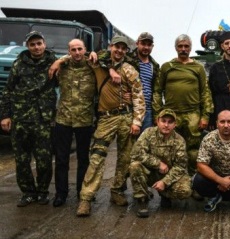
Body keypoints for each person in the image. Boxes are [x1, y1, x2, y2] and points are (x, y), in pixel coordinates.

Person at [76, 35, 145, 216]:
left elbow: (138, 96)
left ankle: (117, 190)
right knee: (97, 157)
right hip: (106, 119)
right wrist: (57, 63)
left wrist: (137, 121)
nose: (119, 51)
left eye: (123, 48)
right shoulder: (98, 63)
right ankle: (86, 198)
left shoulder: (129, 70)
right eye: (117, 47)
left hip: (126, 117)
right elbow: (77, 56)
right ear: (110, 47)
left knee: (125, 158)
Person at [0, 31, 56, 207]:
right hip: (21, 119)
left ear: (44, 44)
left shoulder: (54, 63)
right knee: (22, 160)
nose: (36, 47)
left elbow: (76, 58)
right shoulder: (19, 65)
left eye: (39, 43)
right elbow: (7, 90)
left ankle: (42, 192)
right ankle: (28, 193)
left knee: (44, 160)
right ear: (28, 46)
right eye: (32, 44)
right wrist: (6, 115)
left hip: (43, 120)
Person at [152, 34, 213, 176]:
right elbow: (157, 91)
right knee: (169, 150)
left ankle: (194, 181)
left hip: (193, 115)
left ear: (190, 48)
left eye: (186, 46)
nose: (183, 49)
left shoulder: (198, 68)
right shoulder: (167, 67)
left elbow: (205, 92)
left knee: (193, 151)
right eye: (180, 46)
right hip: (171, 115)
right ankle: (170, 184)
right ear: (176, 48)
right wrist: (158, 114)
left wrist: (205, 116)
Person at [52, 39, 96, 207]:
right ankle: (61, 194)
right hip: (63, 119)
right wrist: (59, 60)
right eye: (73, 50)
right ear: (68, 51)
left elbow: (108, 57)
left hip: (84, 120)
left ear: (85, 49)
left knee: (83, 159)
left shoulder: (93, 66)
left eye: (80, 49)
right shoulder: (61, 67)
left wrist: (95, 54)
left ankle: (82, 192)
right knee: (62, 159)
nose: (77, 53)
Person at [129, 109, 192, 218]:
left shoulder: (179, 140)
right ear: (157, 121)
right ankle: (142, 199)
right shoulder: (148, 133)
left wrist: (165, 182)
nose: (166, 125)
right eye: (163, 121)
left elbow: (180, 166)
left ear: (175, 124)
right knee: (134, 166)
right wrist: (158, 164)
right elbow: (136, 154)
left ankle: (165, 194)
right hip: (150, 173)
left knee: (185, 191)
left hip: (168, 174)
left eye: (170, 122)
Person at [98, 32, 160, 133]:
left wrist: (156, 113)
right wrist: (110, 69)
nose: (146, 47)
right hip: (131, 109)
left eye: (149, 45)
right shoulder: (127, 58)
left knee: (145, 144)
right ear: (137, 43)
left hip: (148, 110)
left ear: (152, 46)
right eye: (143, 44)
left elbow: (157, 90)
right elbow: (103, 55)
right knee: (131, 144)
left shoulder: (155, 66)